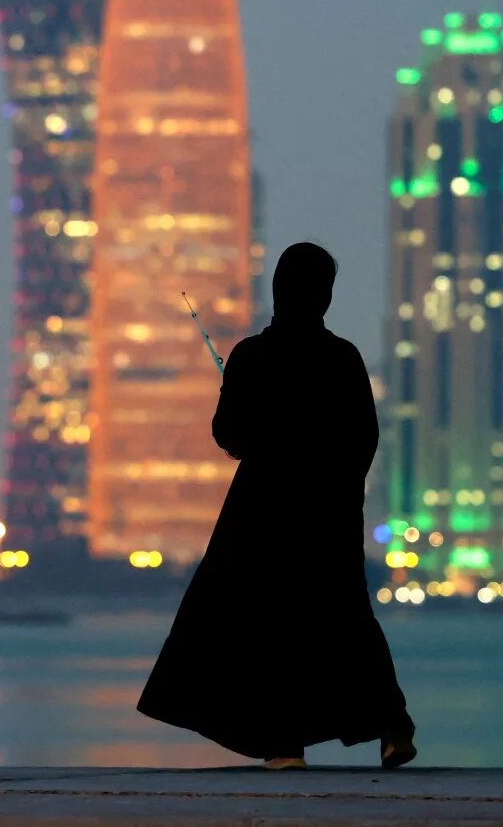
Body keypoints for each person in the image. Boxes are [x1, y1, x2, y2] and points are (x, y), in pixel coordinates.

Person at [137, 241, 417, 770]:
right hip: (328, 517)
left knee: (262, 623)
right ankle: (392, 725)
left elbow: (228, 434)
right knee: (347, 618)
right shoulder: (343, 358)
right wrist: (334, 489)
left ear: (277, 291)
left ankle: (283, 743)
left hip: (261, 516)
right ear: (325, 297)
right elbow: (364, 439)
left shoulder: (250, 357)